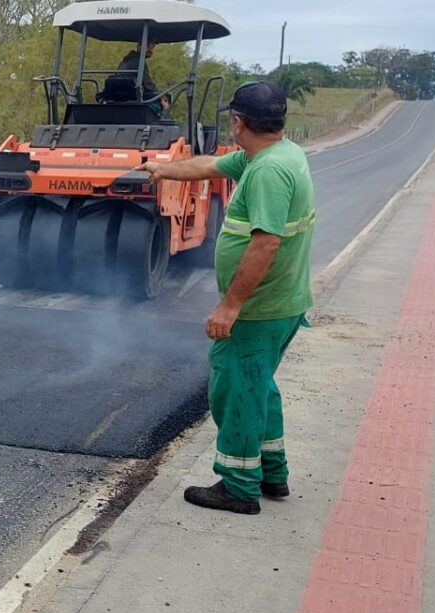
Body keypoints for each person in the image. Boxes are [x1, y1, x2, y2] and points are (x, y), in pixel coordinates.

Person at [135, 81, 315, 515]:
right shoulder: (272, 154)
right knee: (259, 388)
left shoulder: (269, 171)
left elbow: (265, 243)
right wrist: (161, 170)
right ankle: (273, 474)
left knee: (234, 390)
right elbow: (208, 167)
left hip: (258, 309)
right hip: (281, 304)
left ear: (238, 122)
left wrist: (230, 305)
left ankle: (238, 485)